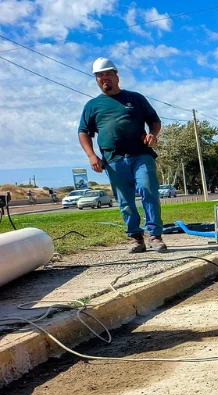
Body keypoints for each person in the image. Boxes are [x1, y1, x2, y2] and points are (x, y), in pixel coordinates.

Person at [78, 57, 166, 254]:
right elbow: (83, 132)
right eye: (100, 75)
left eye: (109, 74)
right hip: (113, 160)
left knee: (148, 190)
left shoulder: (135, 98)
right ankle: (135, 238)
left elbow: (154, 121)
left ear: (116, 76)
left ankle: (155, 235)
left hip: (140, 155)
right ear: (97, 80)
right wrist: (92, 155)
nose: (105, 78)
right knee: (125, 200)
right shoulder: (92, 106)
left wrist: (153, 134)